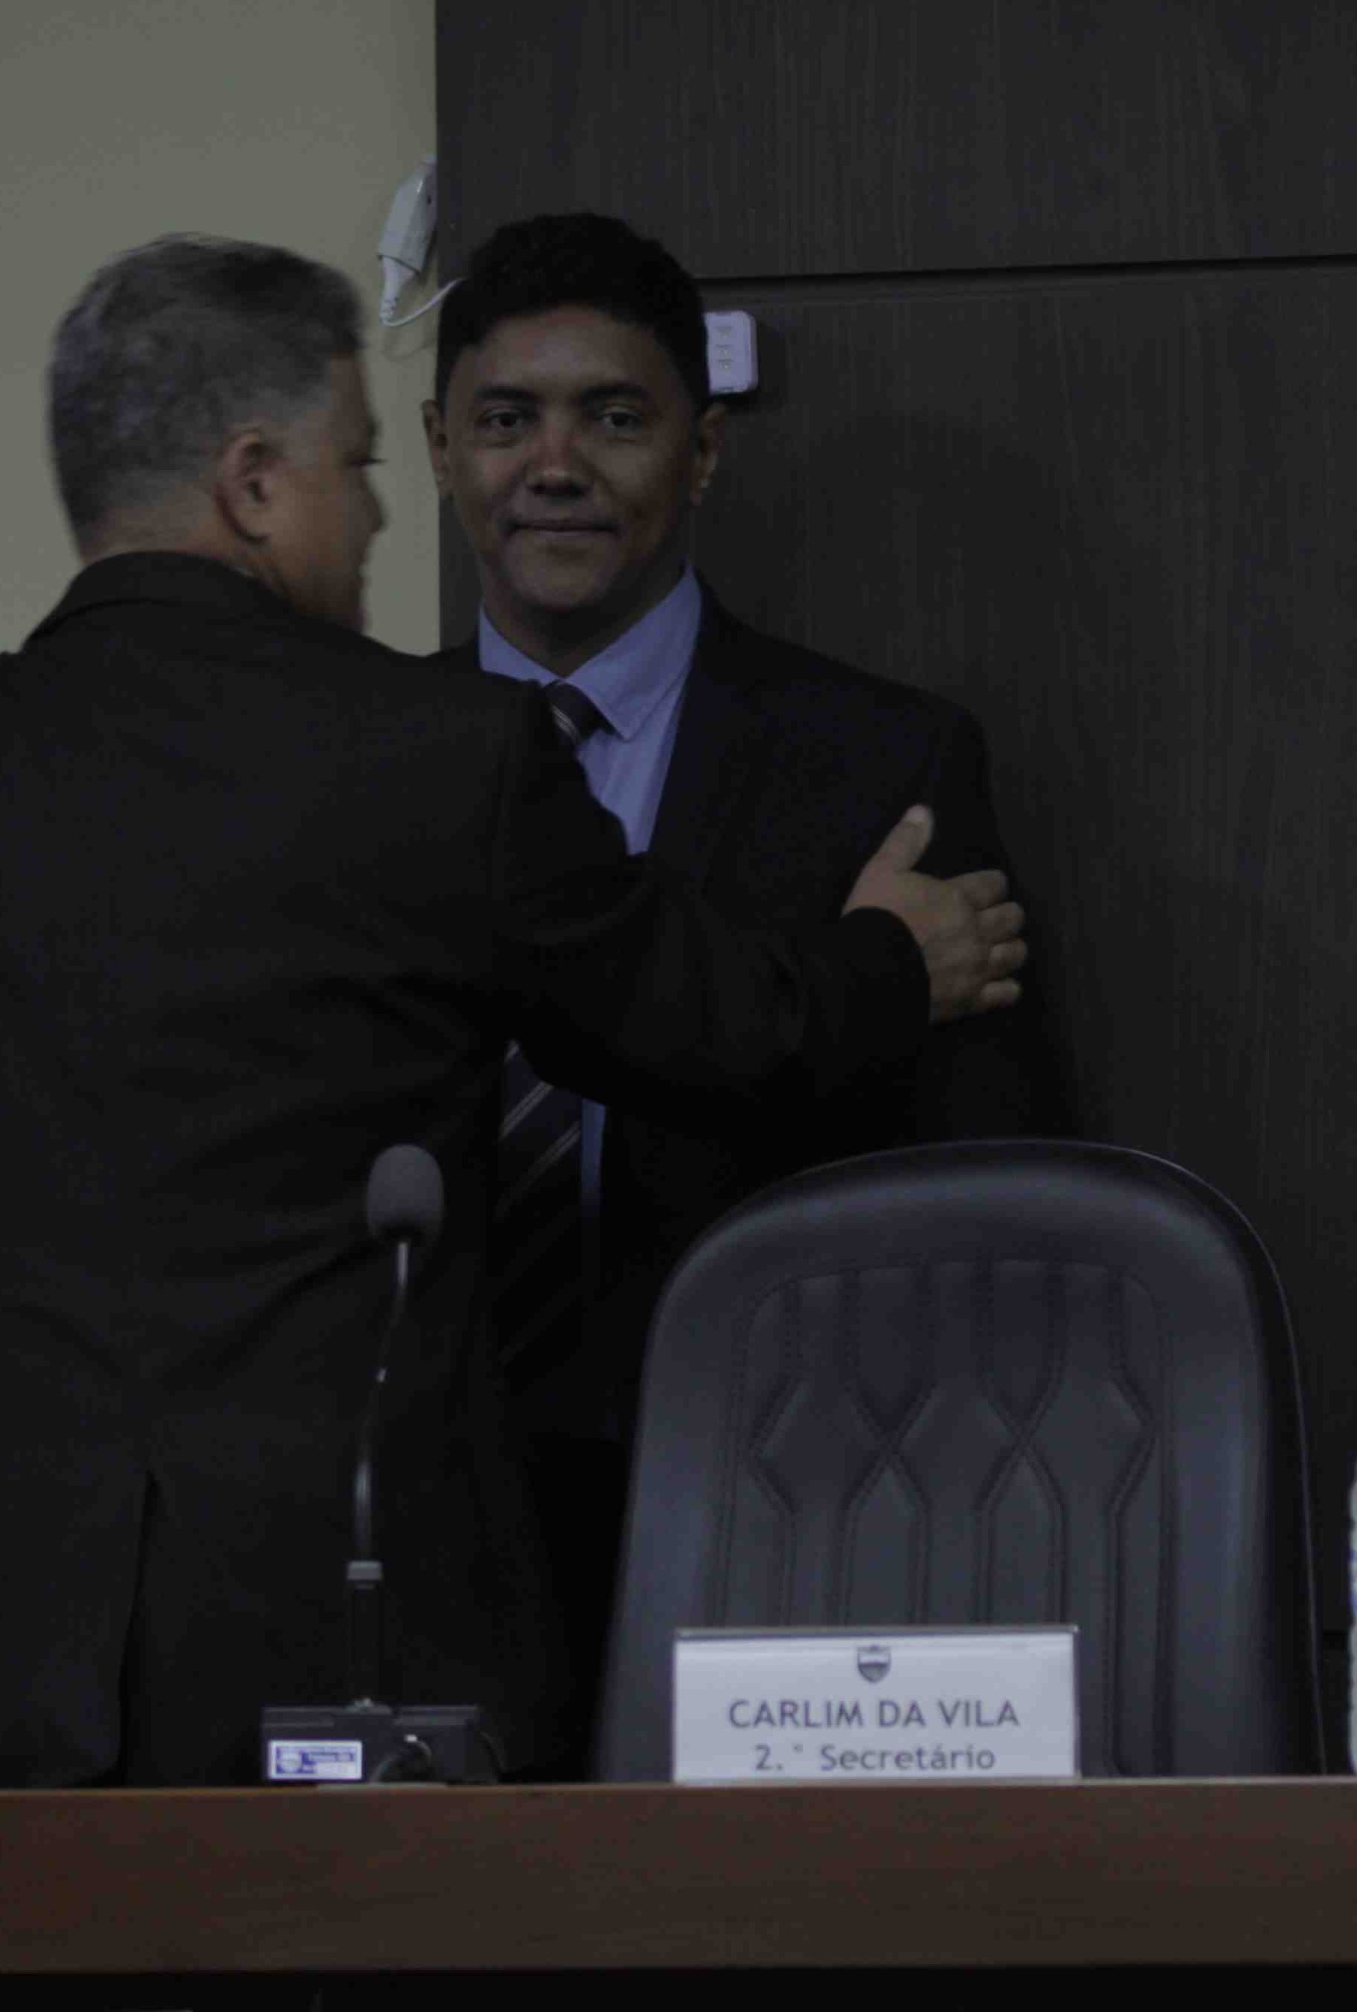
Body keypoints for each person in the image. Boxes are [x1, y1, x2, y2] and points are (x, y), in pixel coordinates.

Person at [0, 233, 1026, 1789]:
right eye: (359, 465)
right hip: (356, 1663)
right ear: (256, 484)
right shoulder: (435, 756)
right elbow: (696, 1021)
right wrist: (892, 960)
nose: (382, 513)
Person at [424, 211, 1072, 1700]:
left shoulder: (886, 761)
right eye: (507, 420)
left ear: (704, 449)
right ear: (442, 449)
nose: (555, 465)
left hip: (787, 1513)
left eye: (616, 417)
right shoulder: (350, 761)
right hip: (427, 1529)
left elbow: (991, 1197)